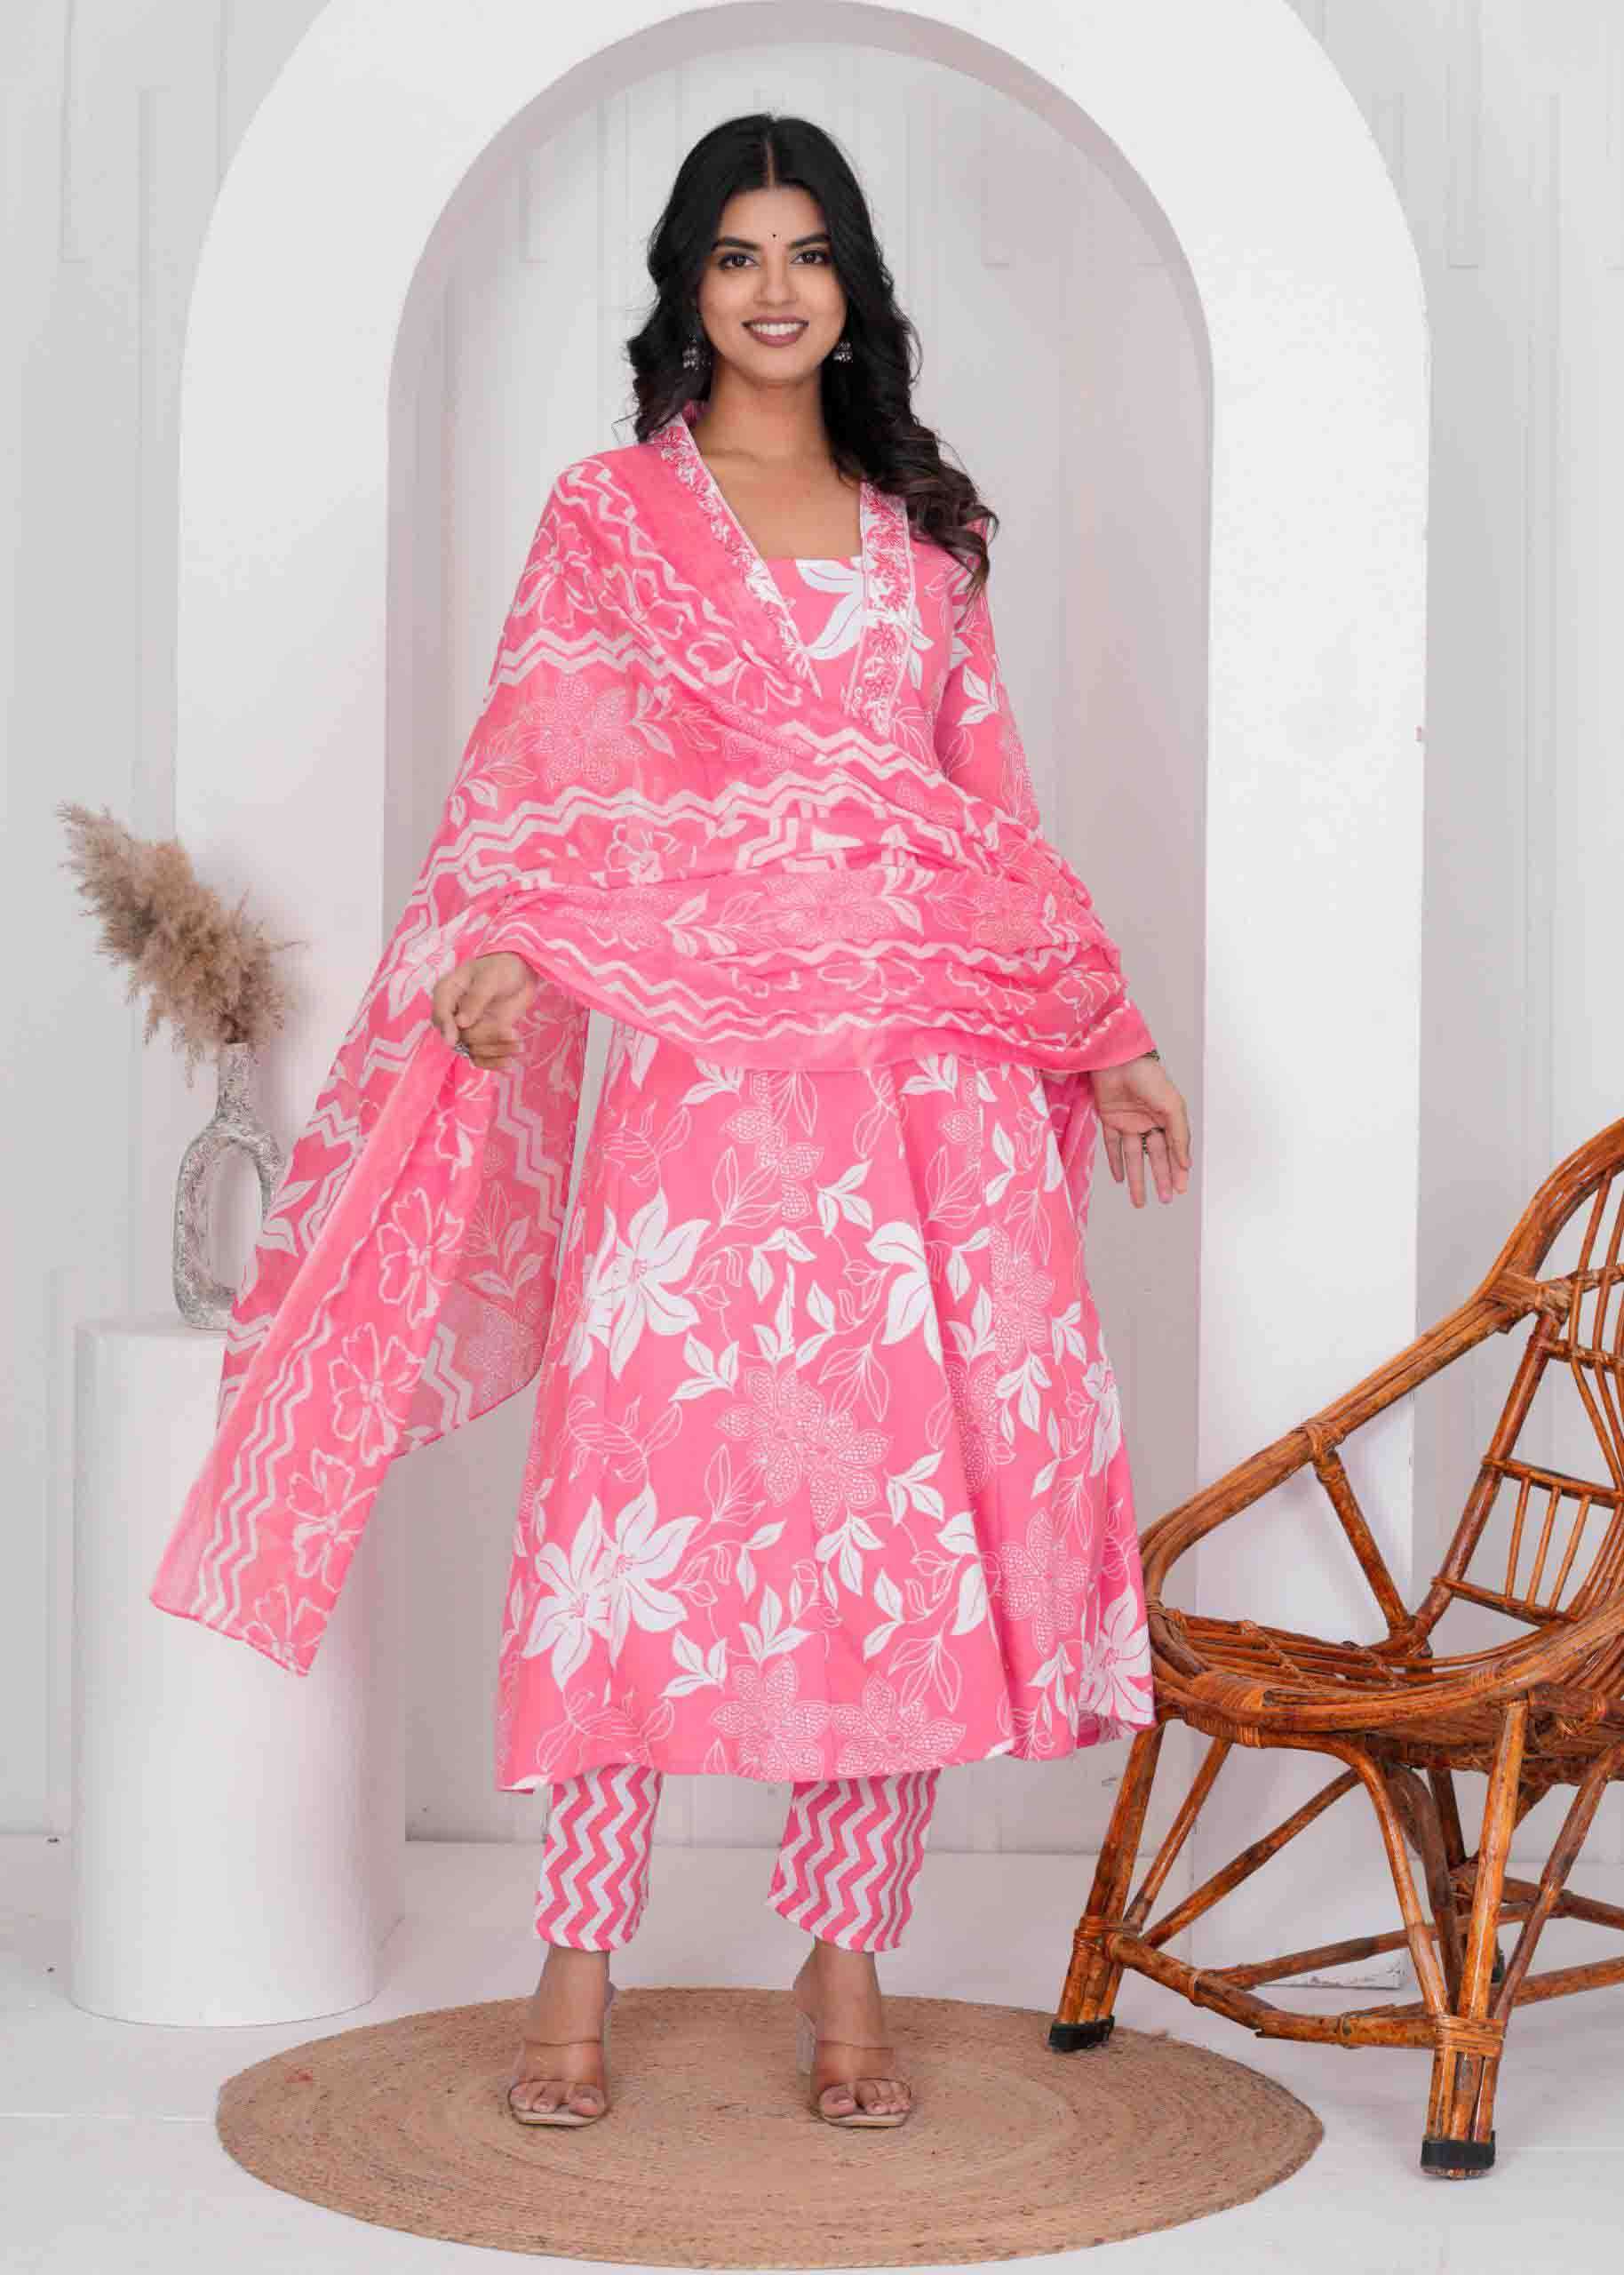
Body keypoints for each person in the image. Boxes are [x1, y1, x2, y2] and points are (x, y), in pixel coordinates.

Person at [424, 114, 1192, 2131]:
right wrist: (511, 945)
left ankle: (847, 1964)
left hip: (922, 1080)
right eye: (737, 255)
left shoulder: (924, 530)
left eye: (809, 252)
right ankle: (572, 1965)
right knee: (633, 1518)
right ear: (688, 287)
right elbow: (548, 772)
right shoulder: (613, 518)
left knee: (888, 1526)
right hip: (707, 1083)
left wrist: (1100, 1031)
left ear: (853, 282)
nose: (775, 289)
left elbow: (986, 817)